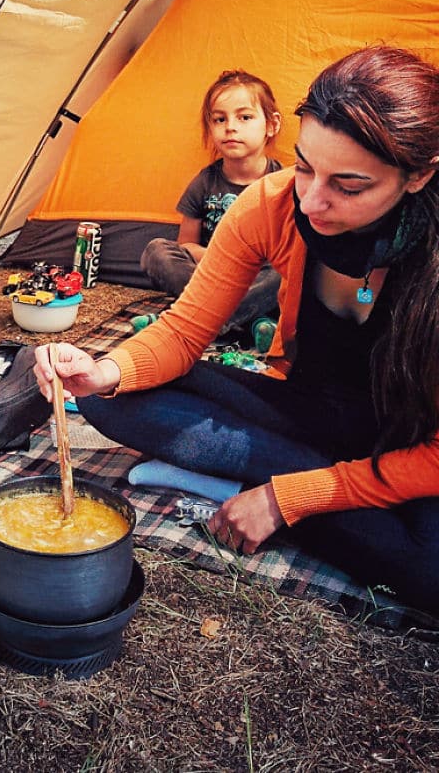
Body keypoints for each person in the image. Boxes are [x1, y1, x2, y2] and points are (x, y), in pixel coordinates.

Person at [34, 46, 439, 613]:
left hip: (412, 444)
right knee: (108, 396)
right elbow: (183, 332)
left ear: (419, 175)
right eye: (304, 167)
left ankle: (261, 484)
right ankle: (317, 494)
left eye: (348, 186)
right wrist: (104, 370)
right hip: (308, 413)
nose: (311, 201)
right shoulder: (270, 204)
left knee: (430, 570)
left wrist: (288, 497)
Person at [140, 69, 282, 337]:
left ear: (271, 125)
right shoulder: (204, 182)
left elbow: (285, 250)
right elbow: (186, 244)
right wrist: (216, 257)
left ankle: (199, 320)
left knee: (286, 271)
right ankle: (242, 322)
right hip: (210, 275)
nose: (230, 127)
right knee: (156, 251)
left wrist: (249, 264)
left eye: (245, 117)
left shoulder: (281, 184)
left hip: (256, 277)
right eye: (220, 119)